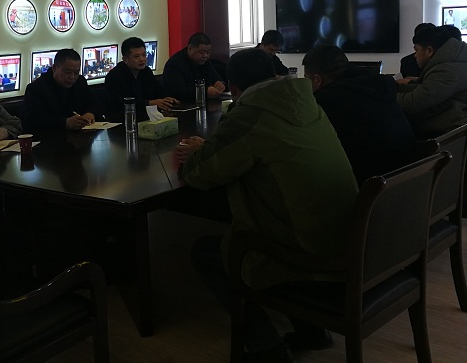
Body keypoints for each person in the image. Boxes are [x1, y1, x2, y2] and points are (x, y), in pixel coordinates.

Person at [175, 48, 358, 361]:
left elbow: (199, 175)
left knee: (208, 253)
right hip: (345, 236)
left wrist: (199, 152)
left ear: (233, 87)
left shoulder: (249, 115)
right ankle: (312, 332)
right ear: (274, 74)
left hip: (306, 252)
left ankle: (267, 349)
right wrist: (216, 147)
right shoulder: (307, 104)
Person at [302, 45, 417, 185]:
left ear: (317, 80)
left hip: (371, 187)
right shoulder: (377, 86)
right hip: (409, 178)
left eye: (306, 80)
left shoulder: (326, 101)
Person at [396, 25, 467, 138]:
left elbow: (415, 102)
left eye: (417, 50)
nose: (415, 55)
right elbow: (425, 88)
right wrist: (394, 87)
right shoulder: (451, 62)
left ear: (429, 51)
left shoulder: (447, 70)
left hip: (446, 134)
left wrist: (383, 97)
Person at [23, 48, 101, 133]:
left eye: (76, 73)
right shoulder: (37, 88)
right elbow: (33, 121)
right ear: (54, 68)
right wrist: (65, 123)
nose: (72, 77)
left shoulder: (80, 82)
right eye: (67, 72)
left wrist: (90, 113)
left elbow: (95, 103)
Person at [104, 37, 178, 122]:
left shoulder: (146, 71)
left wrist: (166, 99)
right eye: (137, 56)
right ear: (125, 59)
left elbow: (156, 92)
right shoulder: (114, 76)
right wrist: (149, 103)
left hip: (147, 117)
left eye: (144, 55)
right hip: (123, 120)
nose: (142, 59)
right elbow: (120, 104)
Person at [162, 32, 226, 102]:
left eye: (208, 52)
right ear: (190, 48)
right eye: (201, 52)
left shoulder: (205, 62)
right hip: (180, 104)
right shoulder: (174, 64)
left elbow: (215, 78)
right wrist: (204, 91)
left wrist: (220, 84)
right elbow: (179, 92)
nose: (205, 56)